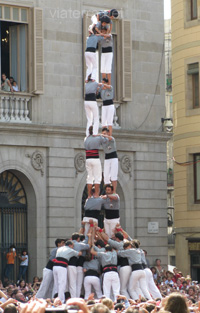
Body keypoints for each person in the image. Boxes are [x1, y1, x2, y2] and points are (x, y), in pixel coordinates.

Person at [84, 125, 111, 197]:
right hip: (95, 158)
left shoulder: (86, 139)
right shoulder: (98, 138)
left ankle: (89, 195)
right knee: (97, 177)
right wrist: (101, 134)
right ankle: (96, 194)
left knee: (89, 177)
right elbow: (107, 139)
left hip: (88, 159)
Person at [68, 233, 90, 298]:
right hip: (79, 267)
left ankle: (72, 297)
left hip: (70, 266)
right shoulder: (79, 245)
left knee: (72, 284)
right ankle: (76, 298)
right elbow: (88, 246)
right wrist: (88, 237)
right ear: (78, 239)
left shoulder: (69, 245)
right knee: (78, 284)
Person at [101, 128, 118, 193]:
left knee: (113, 176)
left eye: (104, 133)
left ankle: (114, 192)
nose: (103, 135)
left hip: (113, 158)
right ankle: (107, 191)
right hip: (107, 158)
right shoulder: (102, 141)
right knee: (106, 176)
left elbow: (109, 138)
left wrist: (104, 135)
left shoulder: (112, 139)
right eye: (103, 134)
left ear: (108, 133)